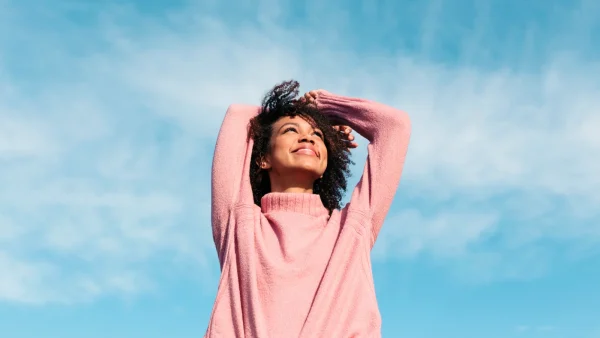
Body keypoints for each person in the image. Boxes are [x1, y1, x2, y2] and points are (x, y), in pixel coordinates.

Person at [206, 80, 411, 338]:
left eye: (318, 135)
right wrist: (297, 109)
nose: (307, 137)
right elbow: (238, 115)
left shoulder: (351, 229)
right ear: (263, 158)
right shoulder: (239, 222)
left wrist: (326, 107)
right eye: (291, 130)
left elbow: (394, 126)